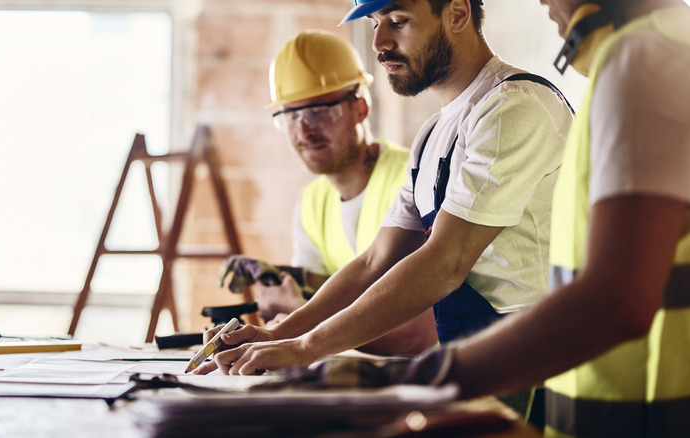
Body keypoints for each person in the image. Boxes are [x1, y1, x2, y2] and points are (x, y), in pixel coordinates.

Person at [200, 0, 573, 395]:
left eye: (398, 21)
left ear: (458, 14)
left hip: (533, 359)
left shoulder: (513, 107)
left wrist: (305, 348)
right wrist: (276, 335)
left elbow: (445, 262)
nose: (379, 42)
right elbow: (375, 261)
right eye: (377, 23)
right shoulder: (432, 134)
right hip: (476, 355)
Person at [396, 0, 690, 436]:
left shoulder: (641, 59)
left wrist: (433, 378)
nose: (543, 1)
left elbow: (617, 302)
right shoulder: (668, 48)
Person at [222, 29, 437, 355]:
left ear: (360, 109)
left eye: (318, 112)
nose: (303, 131)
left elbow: (416, 335)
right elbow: (326, 296)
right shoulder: (312, 202)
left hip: (428, 384)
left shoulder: (413, 180)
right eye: (290, 116)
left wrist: (296, 313)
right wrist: (284, 283)